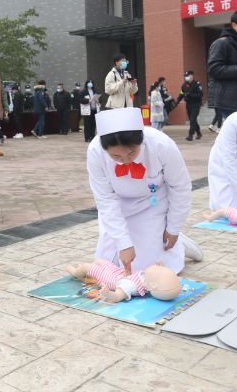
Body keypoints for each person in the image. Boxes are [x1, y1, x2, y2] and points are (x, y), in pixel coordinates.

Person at [87, 108, 202, 274]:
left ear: (141, 140)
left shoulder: (161, 145)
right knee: (108, 264)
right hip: (119, 203)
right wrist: (123, 242)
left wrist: (173, 227)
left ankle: (178, 242)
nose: (126, 161)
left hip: (152, 202)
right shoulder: (95, 152)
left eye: (131, 153)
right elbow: (105, 199)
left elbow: (180, 187)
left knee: (149, 268)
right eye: (116, 157)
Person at [177, 71, 203, 141]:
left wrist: (191, 95)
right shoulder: (184, 85)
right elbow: (181, 93)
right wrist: (177, 101)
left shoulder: (197, 84)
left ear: (191, 76)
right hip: (188, 105)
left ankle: (190, 135)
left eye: (187, 76)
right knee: (193, 120)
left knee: (192, 119)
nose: (186, 77)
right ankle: (199, 133)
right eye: (185, 76)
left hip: (196, 104)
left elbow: (200, 94)